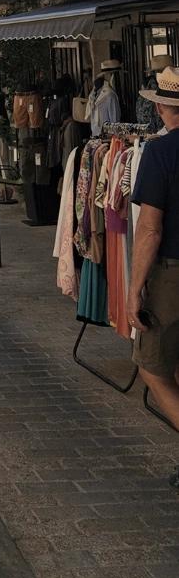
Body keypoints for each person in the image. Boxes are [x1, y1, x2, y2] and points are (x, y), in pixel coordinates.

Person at [127, 66, 179, 485]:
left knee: (153, 367)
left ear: (162, 106)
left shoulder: (161, 153)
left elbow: (149, 228)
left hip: (173, 275)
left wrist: (133, 289)